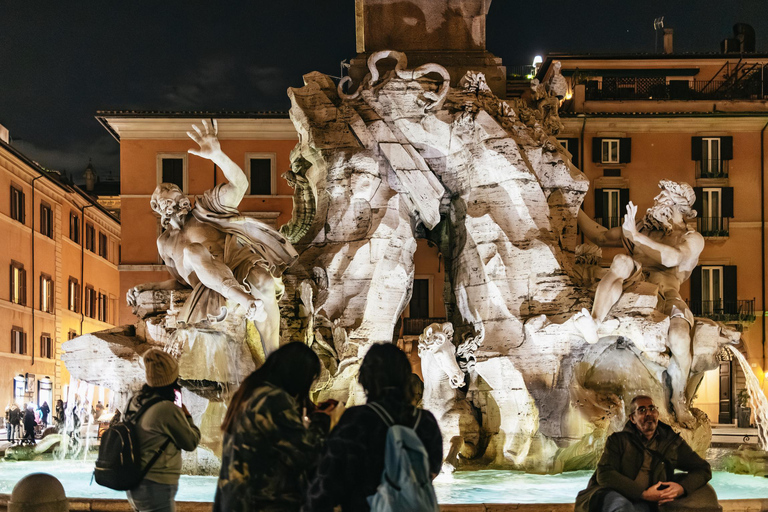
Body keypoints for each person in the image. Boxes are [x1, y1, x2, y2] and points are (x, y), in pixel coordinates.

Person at [126, 119, 298, 357]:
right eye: (167, 201)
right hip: (208, 288)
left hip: (237, 266)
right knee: (192, 251)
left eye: (178, 196)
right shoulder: (165, 243)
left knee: (266, 284)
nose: (176, 202)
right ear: (157, 208)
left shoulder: (205, 210)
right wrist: (147, 286)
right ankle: (247, 302)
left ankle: (274, 360)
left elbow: (240, 185)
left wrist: (217, 155)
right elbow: (181, 281)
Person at [575, 181, 705, 425]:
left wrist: (634, 236)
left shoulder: (691, 238)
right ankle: (593, 322)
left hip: (667, 295)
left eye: (663, 197)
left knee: (679, 335)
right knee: (622, 260)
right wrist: (572, 204)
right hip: (635, 284)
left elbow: (672, 258)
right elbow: (600, 236)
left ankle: (679, 398)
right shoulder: (643, 229)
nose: (656, 201)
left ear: (677, 205)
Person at [304, 343, 443, 512]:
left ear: (365, 378)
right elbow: (432, 470)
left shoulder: (357, 420)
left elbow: (328, 483)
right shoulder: (425, 421)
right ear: (406, 377)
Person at [214, 342, 336, 512]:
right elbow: (305, 454)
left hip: (236, 501)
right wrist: (323, 419)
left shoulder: (249, 393)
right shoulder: (273, 399)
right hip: (262, 504)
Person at [575, 395, 716, 512]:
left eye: (652, 409)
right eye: (641, 410)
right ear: (632, 418)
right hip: (612, 493)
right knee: (623, 507)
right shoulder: (618, 440)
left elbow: (703, 468)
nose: (648, 413)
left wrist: (682, 488)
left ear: (657, 414)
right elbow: (605, 474)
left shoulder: (671, 442)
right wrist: (643, 493)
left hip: (647, 502)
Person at [124, 348, 201, 512]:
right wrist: (186, 416)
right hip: (155, 485)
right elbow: (191, 442)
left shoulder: (135, 401)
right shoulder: (166, 409)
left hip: (134, 482)